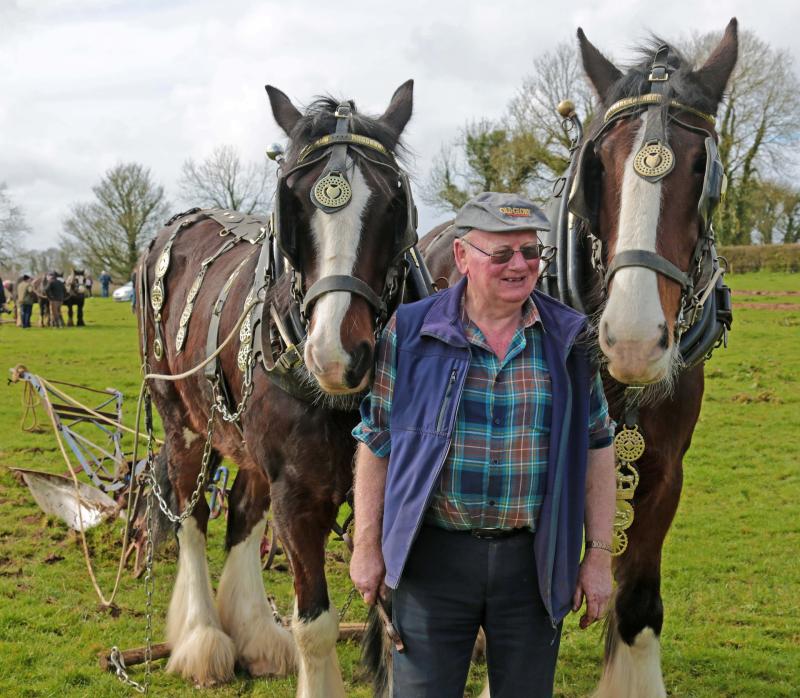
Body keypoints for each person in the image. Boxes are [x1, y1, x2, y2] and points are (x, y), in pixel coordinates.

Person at [350, 192, 617, 697]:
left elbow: (597, 445)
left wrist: (598, 557)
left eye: (531, 253)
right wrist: (367, 545)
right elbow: (375, 439)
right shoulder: (408, 333)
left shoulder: (570, 339)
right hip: (432, 562)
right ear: (462, 257)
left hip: (533, 563)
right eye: (502, 254)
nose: (520, 265)